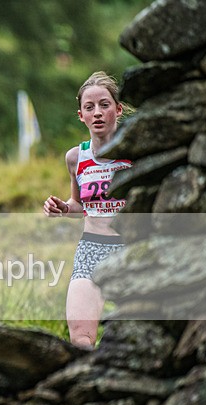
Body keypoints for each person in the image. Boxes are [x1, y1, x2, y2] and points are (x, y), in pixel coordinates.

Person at [43, 71, 132, 349]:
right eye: (89, 107)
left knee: (135, 335)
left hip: (132, 247)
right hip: (91, 248)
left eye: (104, 105)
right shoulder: (75, 158)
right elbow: (79, 206)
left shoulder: (137, 151)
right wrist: (62, 208)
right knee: (80, 337)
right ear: (80, 115)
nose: (97, 113)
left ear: (117, 109)